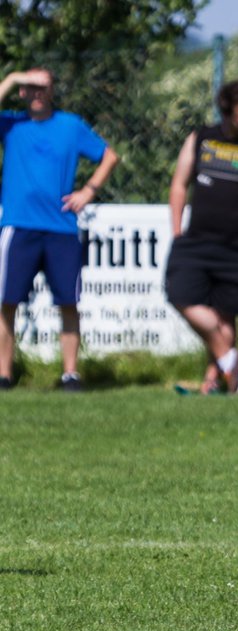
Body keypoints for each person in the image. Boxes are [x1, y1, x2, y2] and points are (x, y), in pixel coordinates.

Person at [0, 68, 119, 391]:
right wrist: (11, 79)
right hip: (19, 226)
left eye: (43, 87)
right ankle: (4, 374)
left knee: (68, 301)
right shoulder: (11, 124)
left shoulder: (70, 126)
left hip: (61, 228)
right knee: (7, 302)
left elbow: (109, 156)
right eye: (30, 88)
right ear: (22, 92)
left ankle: (70, 373)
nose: (37, 93)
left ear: (53, 90)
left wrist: (88, 191)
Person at [166, 80, 238, 395]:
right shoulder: (201, 138)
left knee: (225, 314)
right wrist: (177, 231)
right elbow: (179, 184)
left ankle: (216, 380)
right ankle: (231, 359)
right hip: (197, 241)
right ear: (227, 115)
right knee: (180, 295)